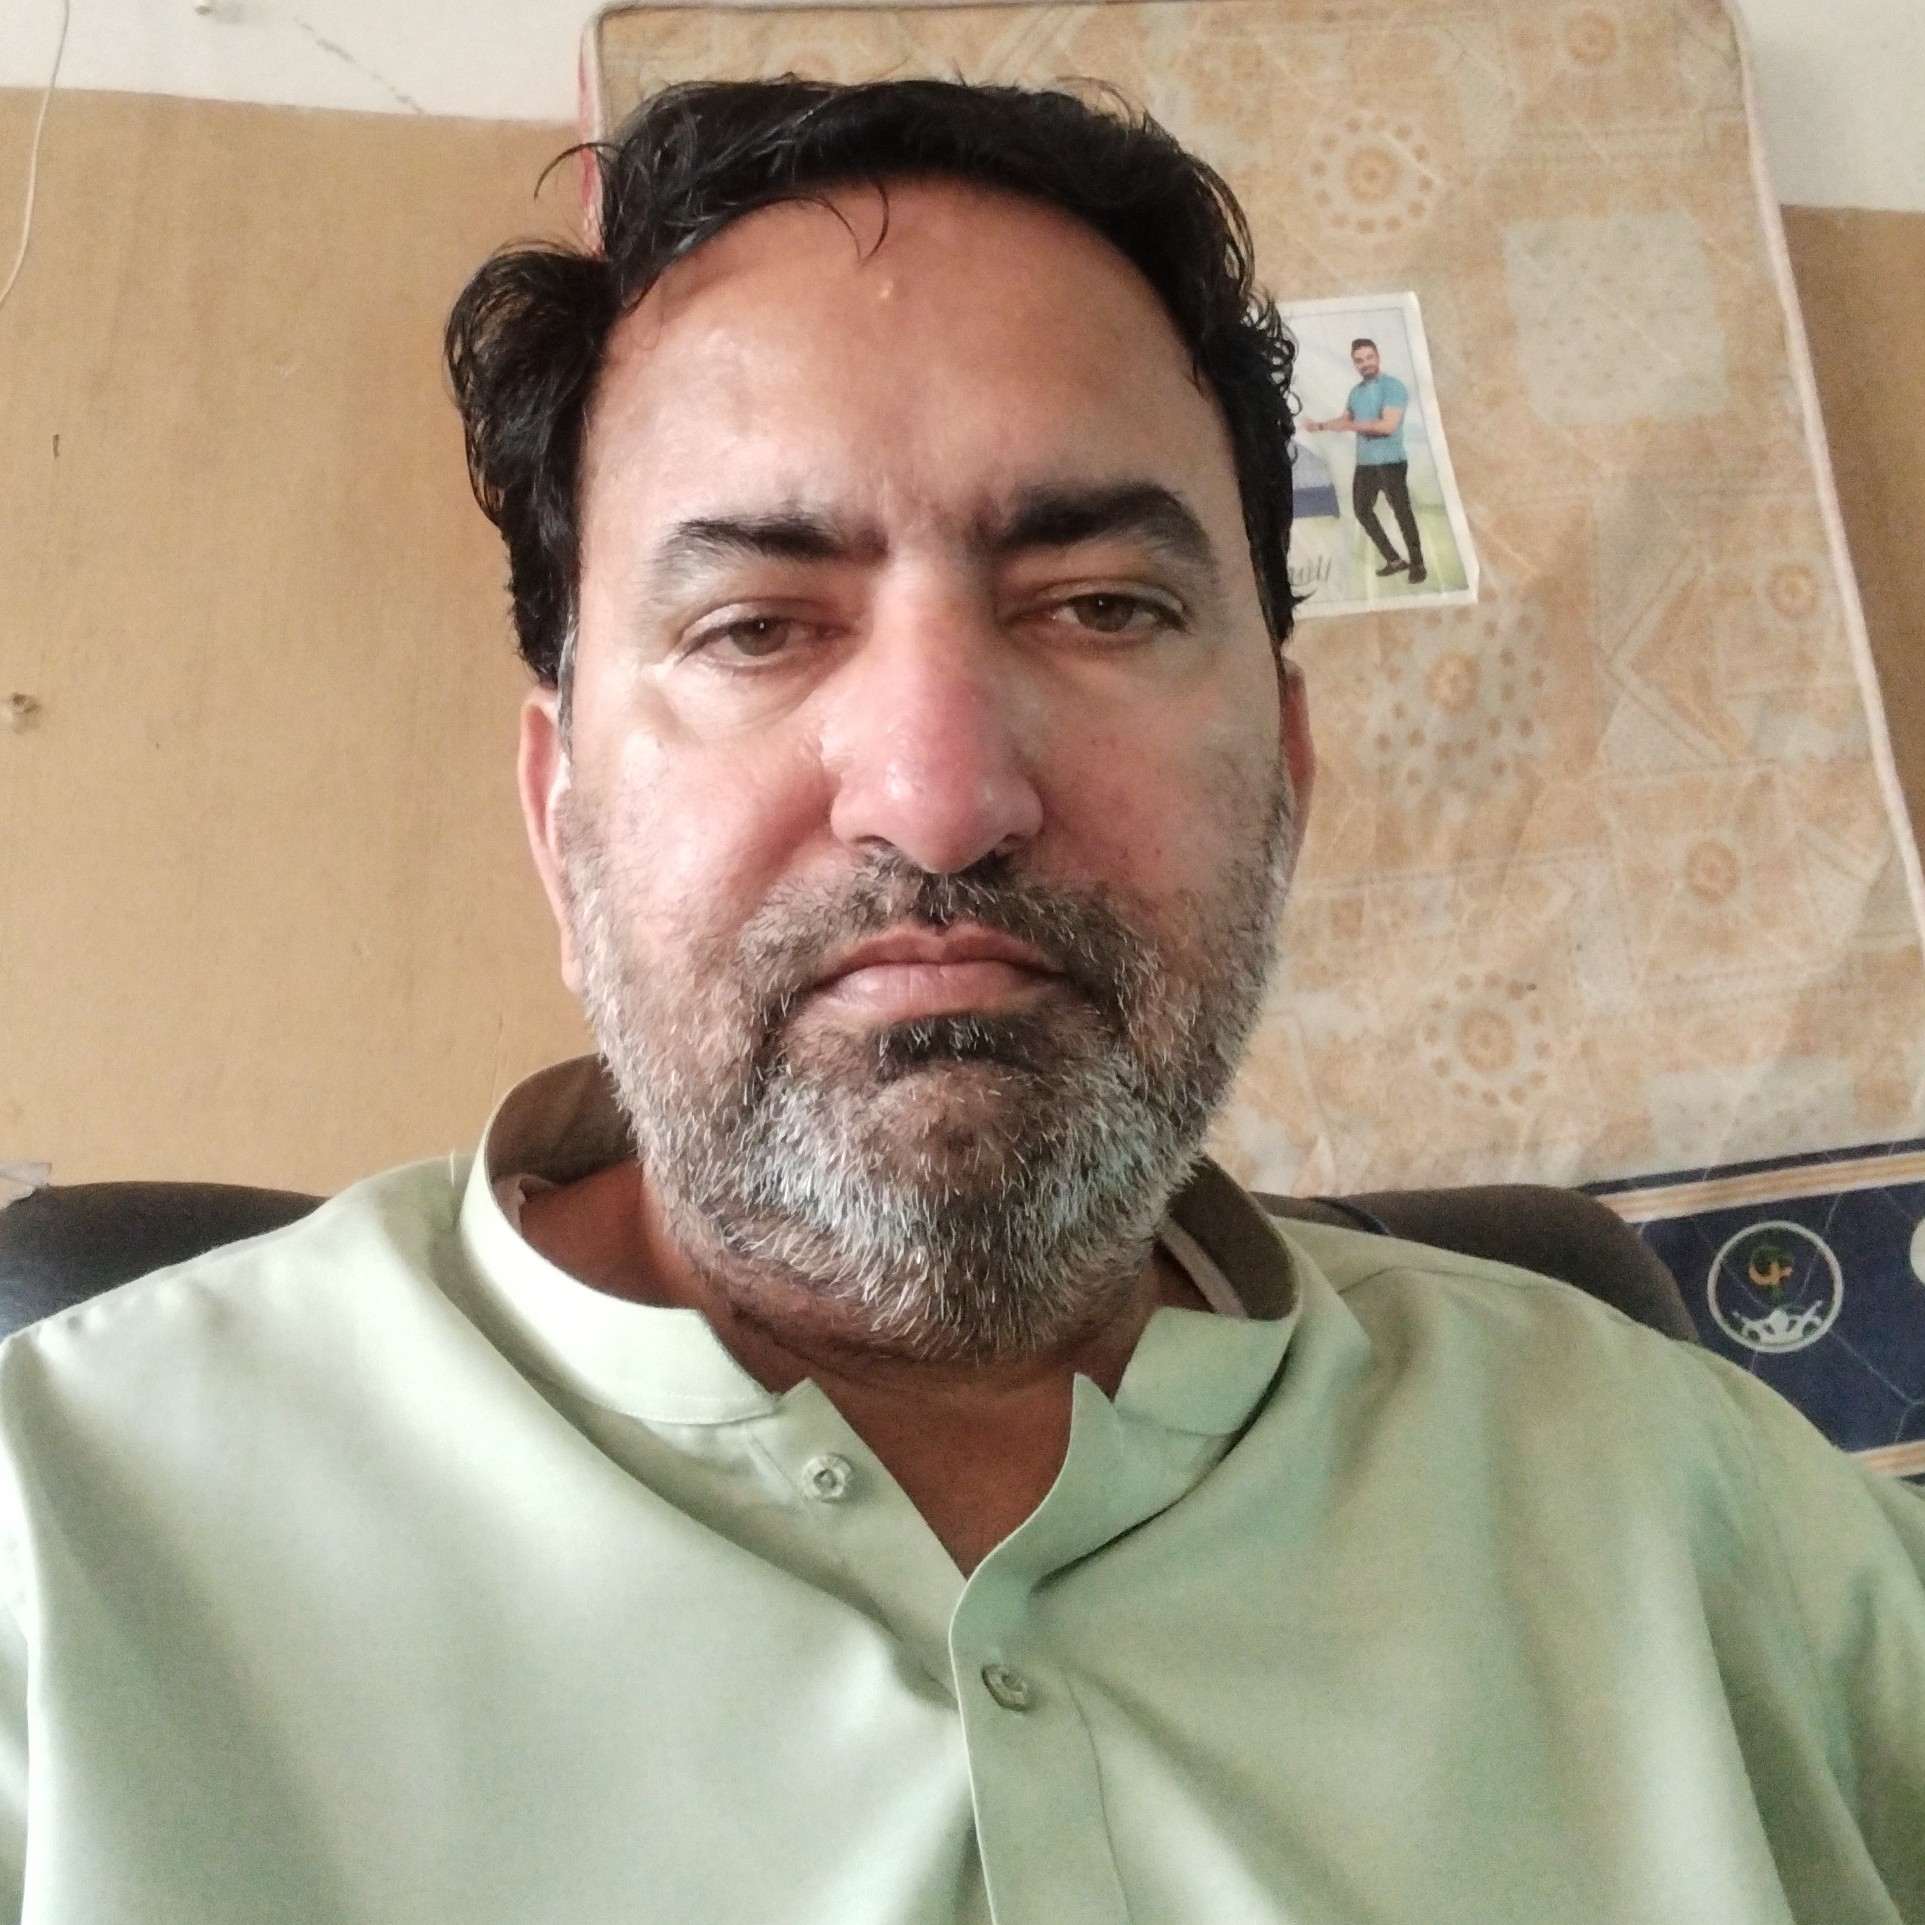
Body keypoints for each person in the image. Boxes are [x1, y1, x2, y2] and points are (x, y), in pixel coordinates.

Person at [0, 76, 1919, 1925]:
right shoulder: (55, 1558)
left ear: (1286, 772)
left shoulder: (1718, 1524)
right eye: (757, 626)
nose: (939, 798)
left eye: (1100, 606)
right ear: (560, 817)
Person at [1302, 337, 1429, 584]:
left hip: (1391, 463)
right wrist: (1320, 426)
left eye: (1369, 358)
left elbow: (1387, 426)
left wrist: (1349, 426)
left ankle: (1418, 564)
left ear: (1378, 357)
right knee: (1362, 511)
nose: (1365, 364)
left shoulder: (1393, 387)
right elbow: (1345, 419)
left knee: (1402, 512)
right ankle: (1394, 560)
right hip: (1365, 465)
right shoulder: (1356, 392)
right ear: (1354, 363)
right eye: (1359, 360)